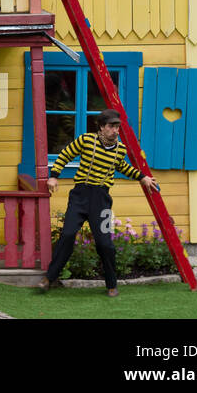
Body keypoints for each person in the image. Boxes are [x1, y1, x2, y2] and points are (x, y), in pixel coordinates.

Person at [40, 109, 160, 297]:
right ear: (101, 127)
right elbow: (65, 155)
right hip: (80, 196)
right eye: (111, 126)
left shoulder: (120, 149)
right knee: (68, 235)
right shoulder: (86, 140)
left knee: (105, 243)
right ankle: (49, 278)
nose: (115, 130)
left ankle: (112, 284)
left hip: (102, 200)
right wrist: (54, 176)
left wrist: (142, 177)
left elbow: (123, 167)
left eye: (117, 126)